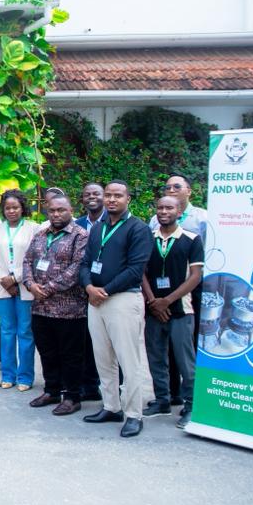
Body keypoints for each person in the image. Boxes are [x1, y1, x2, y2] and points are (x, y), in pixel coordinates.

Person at [79, 180, 153, 438]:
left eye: (117, 195)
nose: (111, 199)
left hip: (122, 299)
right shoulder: (98, 229)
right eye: (108, 195)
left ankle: (133, 414)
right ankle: (111, 407)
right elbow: (85, 263)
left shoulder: (138, 229)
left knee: (128, 360)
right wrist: (89, 287)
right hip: (95, 300)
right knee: (103, 357)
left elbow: (135, 269)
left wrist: (105, 291)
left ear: (127, 199)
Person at [22, 194, 90, 416]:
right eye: (52, 210)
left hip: (69, 309)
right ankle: (51, 390)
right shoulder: (40, 235)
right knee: (47, 351)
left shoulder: (80, 236)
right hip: (40, 307)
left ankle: (72, 396)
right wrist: (30, 284)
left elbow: (77, 268)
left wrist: (48, 288)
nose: (56, 214)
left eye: (61, 210)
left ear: (71, 211)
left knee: (71, 355)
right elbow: (27, 261)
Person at [142, 195, 203, 430]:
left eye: (169, 208)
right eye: (160, 207)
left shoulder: (191, 239)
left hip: (181, 310)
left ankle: (191, 405)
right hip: (153, 310)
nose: (164, 211)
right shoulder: (148, 238)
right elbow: (141, 272)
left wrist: (166, 301)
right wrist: (153, 301)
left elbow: (195, 277)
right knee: (156, 357)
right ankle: (162, 400)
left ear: (179, 212)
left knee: (185, 361)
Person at [0, 190, 40, 391]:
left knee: (25, 331)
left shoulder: (33, 228)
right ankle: (8, 375)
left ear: (23, 208)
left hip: (25, 286)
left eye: (15, 207)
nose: (11, 211)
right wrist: (4, 279)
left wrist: (15, 278)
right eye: (7, 208)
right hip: (2, 287)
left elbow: (35, 257)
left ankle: (25, 377)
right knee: (7, 331)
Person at [73, 183, 105, 401]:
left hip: (106, 289)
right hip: (82, 288)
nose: (91, 197)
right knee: (85, 340)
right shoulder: (78, 224)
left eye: (96, 193)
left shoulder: (114, 221)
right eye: (87, 194)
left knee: (110, 343)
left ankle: (116, 390)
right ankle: (90, 386)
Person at [148, 174, 207, 243]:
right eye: (168, 188)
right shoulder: (156, 219)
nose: (171, 190)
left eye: (177, 187)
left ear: (189, 192)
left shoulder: (203, 218)